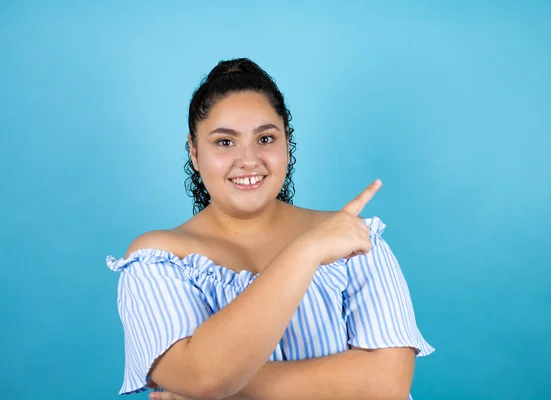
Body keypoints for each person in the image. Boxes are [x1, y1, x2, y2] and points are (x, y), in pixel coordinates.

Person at [106, 57, 434, 400]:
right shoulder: (158, 258)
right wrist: (306, 252)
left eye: (265, 139)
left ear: (287, 143)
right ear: (194, 150)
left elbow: (386, 384)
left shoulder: (350, 238)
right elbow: (201, 375)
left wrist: (215, 389)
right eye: (224, 142)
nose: (248, 160)